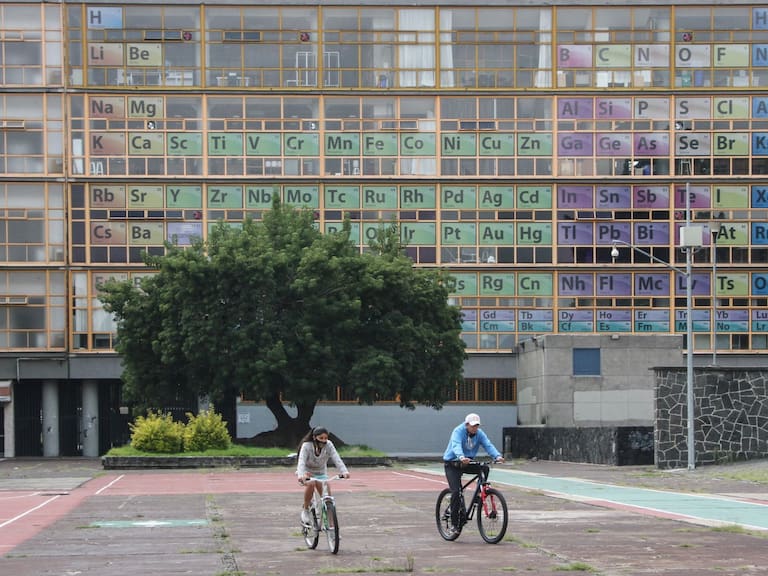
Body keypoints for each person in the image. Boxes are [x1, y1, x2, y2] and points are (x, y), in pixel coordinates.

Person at [442, 413, 504, 532]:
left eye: (477, 426)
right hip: (453, 464)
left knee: (484, 468)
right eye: (472, 426)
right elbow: (456, 445)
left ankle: (479, 494)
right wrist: (461, 456)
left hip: (467, 462)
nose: (475, 428)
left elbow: (488, 445)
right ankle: (454, 524)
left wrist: (497, 456)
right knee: (456, 492)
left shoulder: (479, 434)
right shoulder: (458, 431)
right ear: (466, 425)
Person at [296, 426, 350, 525]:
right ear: (314, 437)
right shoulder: (306, 446)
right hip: (307, 473)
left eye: (325, 438)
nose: (324, 441)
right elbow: (301, 461)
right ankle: (306, 509)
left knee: (327, 498)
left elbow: (336, 458)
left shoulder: (329, 445)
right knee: (311, 484)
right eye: (321, 438)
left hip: (321, 473)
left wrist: (344, 471)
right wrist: (301, 475)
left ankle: (331, 526)